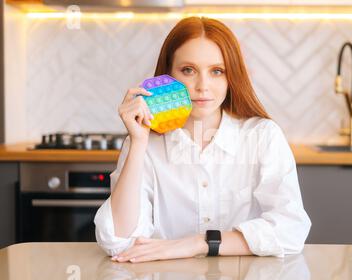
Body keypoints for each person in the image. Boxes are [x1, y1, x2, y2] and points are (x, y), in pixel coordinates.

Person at [94, 16, 311, 263]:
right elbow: (118, 242)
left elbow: (291, 230)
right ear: (168, 76)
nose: (203, 86)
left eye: (217, 71)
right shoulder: (145, 143)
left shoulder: (263, 136)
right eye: (188, 70)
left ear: (232, 77)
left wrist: (199, 243)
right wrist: (139, 143)